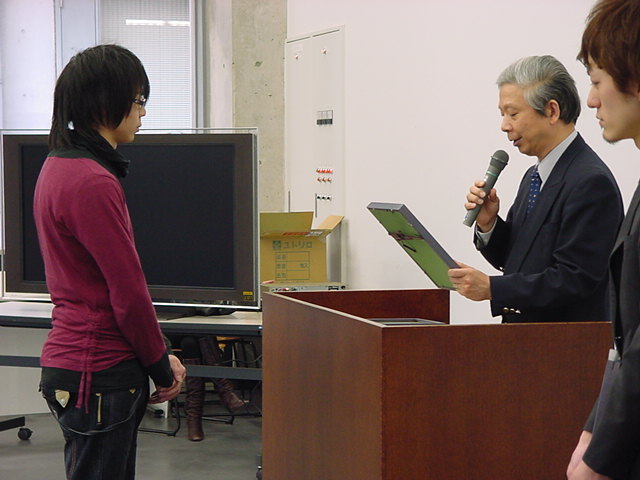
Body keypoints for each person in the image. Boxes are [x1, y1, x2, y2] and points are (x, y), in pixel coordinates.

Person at [35, 44, 186, 480]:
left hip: (75, 363)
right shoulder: (92, 181)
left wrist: (159, 354)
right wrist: (162, 367)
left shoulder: (57, 167)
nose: (143, 112)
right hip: (100, 370)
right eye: (138, 100)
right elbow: (127, 292)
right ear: (105, 103)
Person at [448, 55, 623, 323]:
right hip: (524, 339)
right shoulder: (534, 176)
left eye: (513, 113)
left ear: (552, 111)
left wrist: (493, 288)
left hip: (563, 342)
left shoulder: (590, 182)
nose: (505, 126)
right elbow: (518, 260)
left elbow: (574, 279)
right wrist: (489, 223)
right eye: (502, 114)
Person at [567, 1, 640, 478]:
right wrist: (592, 431)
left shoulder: (588, 178)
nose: (591, 101)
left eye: (596, 81)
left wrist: (599, 458)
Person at [178, 335, 247, 442]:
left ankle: (193, 420)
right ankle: (225, 389)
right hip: (173, 334)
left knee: (194, 340)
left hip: (196, 332)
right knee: (193, 340)